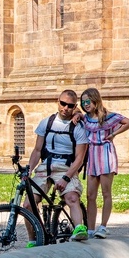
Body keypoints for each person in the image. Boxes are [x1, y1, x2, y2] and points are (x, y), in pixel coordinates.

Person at [24, 89, 89, 244]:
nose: (65, 108)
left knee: (72, 197)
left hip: (66, 169)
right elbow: (37, 150)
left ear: (75, 107)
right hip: (45, 167)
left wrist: (66, 178)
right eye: (63, 103)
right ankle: (34, 239)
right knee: (28, 204)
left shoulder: (79, 127)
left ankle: (79, 228)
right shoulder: (46, 122)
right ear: (57, 101)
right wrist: (29, 170)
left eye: (70, 105)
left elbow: (79, 158)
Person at [80, 88, 129, 239]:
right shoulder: (85, 118)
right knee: (90, 195)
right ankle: (90, 229)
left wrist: (113, 134)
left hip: (105, 154)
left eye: (88, 101)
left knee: (106, 192)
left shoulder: (108, 117)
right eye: (83, 102)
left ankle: (103, 226)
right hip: (92, 155)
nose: (85, 105)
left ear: (95, 100)